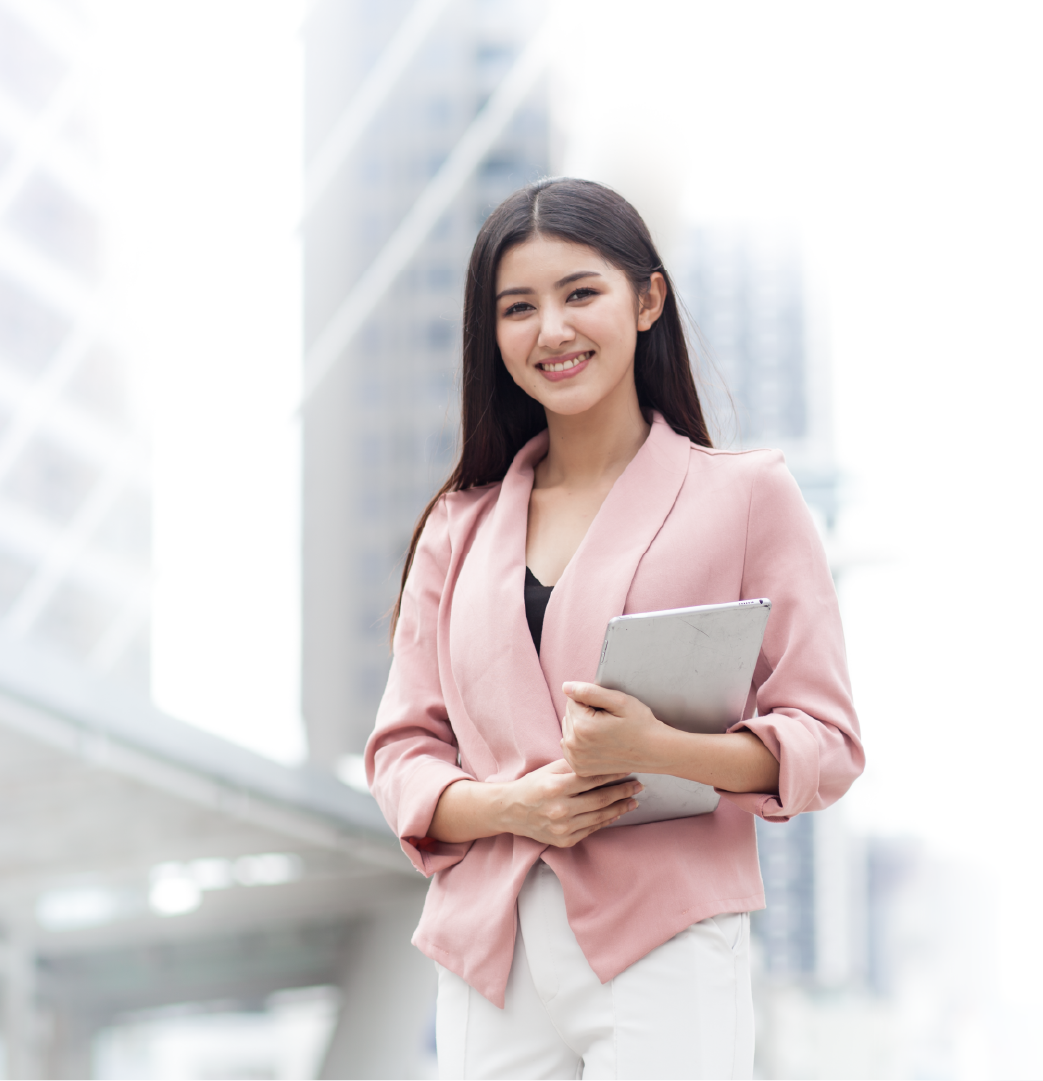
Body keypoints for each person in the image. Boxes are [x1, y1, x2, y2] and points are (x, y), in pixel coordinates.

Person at [364, 178, 864, 1080]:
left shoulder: (747, 497)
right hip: (489, 952)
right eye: (518, 308)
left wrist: (662, 747)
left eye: (579, 293)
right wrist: (515, 805)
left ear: (647, 299)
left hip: (664, 935)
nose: (551, 330)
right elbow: (402, 755)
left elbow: (825, 740)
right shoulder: (456, 527)